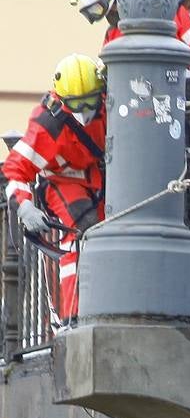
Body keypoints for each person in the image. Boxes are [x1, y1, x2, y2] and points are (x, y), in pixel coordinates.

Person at [3, 55, 106, 324]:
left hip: (99, 177)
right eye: (76, 104)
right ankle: (74, 315)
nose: (84, 110)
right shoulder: (48, 124)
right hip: (62, 182)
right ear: (62, 100)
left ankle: (109, 304)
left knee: (111, 235)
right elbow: (15, 169)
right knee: (82, 231)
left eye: (90, 101)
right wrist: (25, 207)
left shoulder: (109, 103)